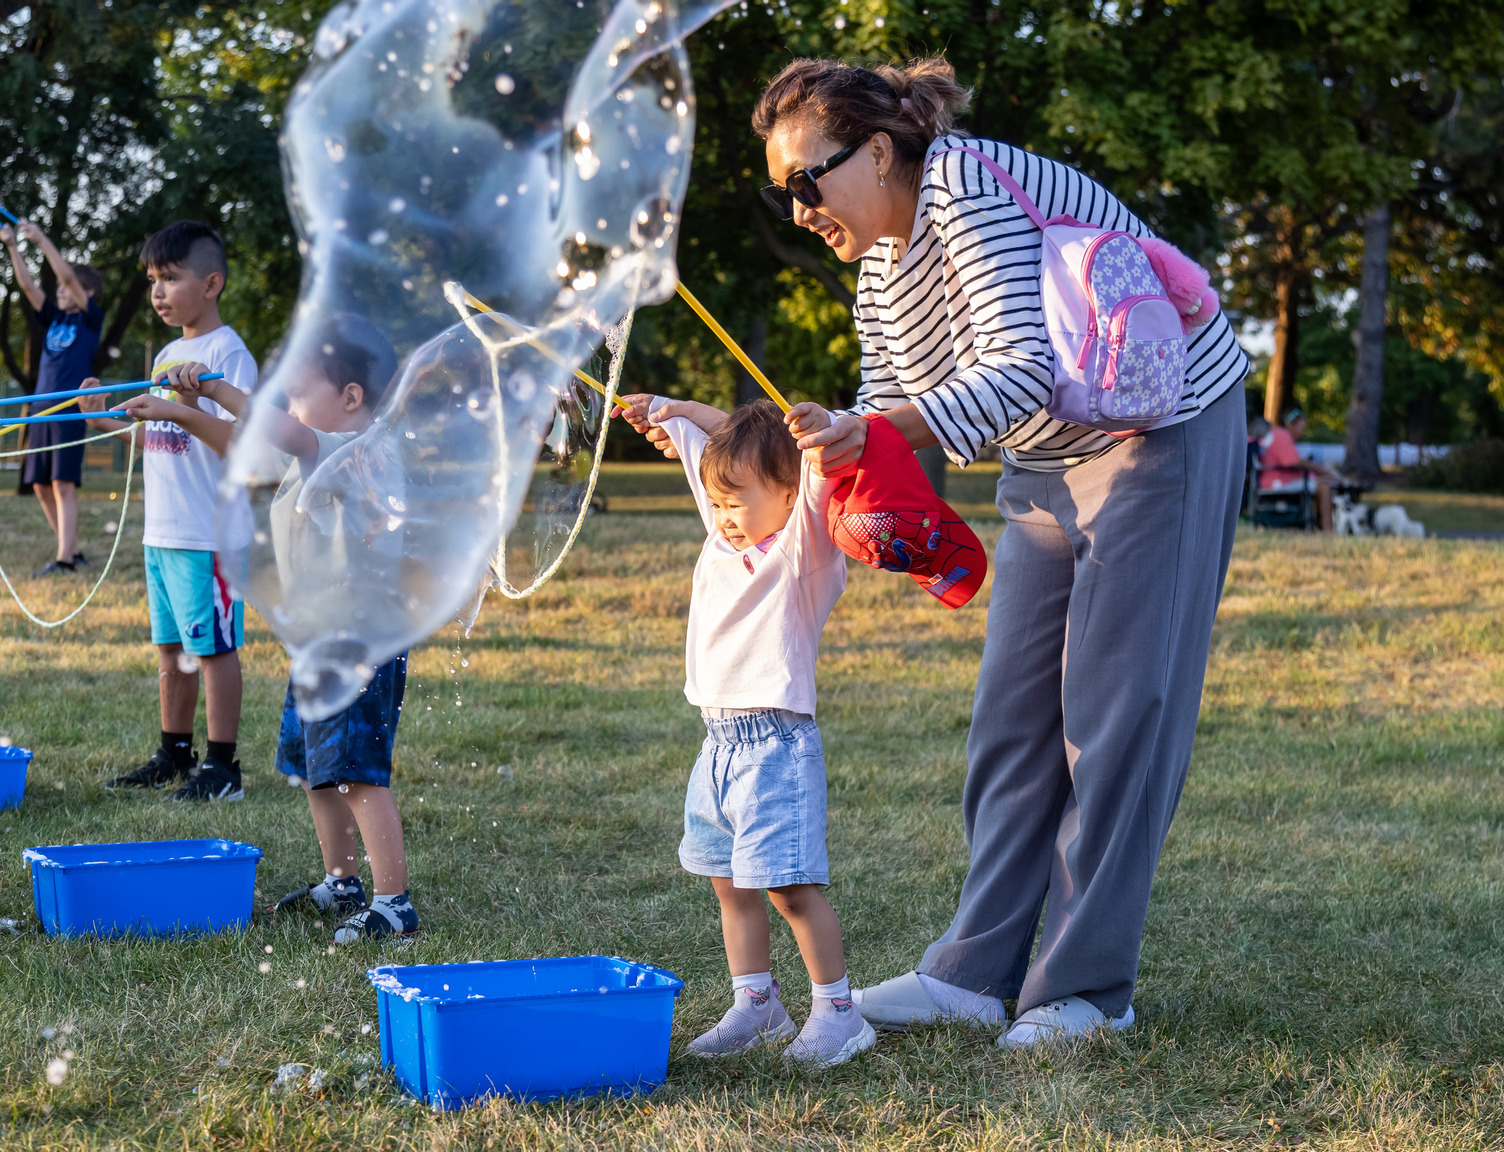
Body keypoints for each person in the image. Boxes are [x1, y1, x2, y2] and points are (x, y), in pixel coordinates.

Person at [731, 56, 1251, 1050]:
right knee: (1012, 717)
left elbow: (1019, 365)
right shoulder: (878, 270)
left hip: (1161, 433)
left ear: (878, 151)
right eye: (781, 191)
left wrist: (882, 432)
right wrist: (845, 465)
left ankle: (1087, 989)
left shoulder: (961, 184)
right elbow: (889, 414)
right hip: (1049, 463)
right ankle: (972, 972)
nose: (799, 209)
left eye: (809, 181)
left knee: (1113, 713)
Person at [117, 316, 420, 944]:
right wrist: (180, 409)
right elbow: (245, 442)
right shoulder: (319, 448)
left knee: (357, 773)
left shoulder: (356, 446)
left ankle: (394, 903)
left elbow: (269, 428)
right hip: (320, 639)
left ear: (351, 398)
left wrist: (210, 385)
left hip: (356, 641)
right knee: (317, 768)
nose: (286, 403)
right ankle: (344, 882)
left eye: (297, 389)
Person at [613, 393, 875, 1067]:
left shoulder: (802, 552)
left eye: (740, 503)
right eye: (718, 503)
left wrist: (816, 432)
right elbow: (714, 443)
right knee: (728, 881)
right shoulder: (722, 533)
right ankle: (757, 1004)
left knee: (788, 885)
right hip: (717, 745)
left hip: (775, 747)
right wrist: (670, 407)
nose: (726, 517)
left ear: (790, 494)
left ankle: (839, 1012)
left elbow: (814, 464)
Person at [78, 221, 255, 802]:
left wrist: (186, 404)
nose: (157, 292)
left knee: (213, 648)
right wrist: (104, 419)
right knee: (173, 648)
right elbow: (158, 438)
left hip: (209, 534)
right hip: (164, 532)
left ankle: (222, 767)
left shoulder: (226, 352)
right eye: (152, 280)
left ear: (211, 283)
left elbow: (241, 445)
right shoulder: (170, 352)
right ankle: (173, 752)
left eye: (170, 279)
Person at [1, 219, 104, 576]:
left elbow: (70, 279)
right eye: (58, 287)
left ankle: (63, 561)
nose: (60, 290)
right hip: (40, 409)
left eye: (64, 286)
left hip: (68, 410)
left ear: (86, 294)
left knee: (61, 483)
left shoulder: (90, 320)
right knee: (41, 485)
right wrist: (13, 246)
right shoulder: (56, 318)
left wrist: (42, 238)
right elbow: (28, 286)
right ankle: (71, 550)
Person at [1258, 409, 1339, 532]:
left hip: (1276, 479)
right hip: (1277, 482)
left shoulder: (1277, 434)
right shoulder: (1282, 435)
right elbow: (1295, 462)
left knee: (1319, 484)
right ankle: (1328, 531)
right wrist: (1321, 470)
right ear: (1291, 424)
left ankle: (1317, 525)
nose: (1302, 431)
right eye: (1302, 426)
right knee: (1324, 488)